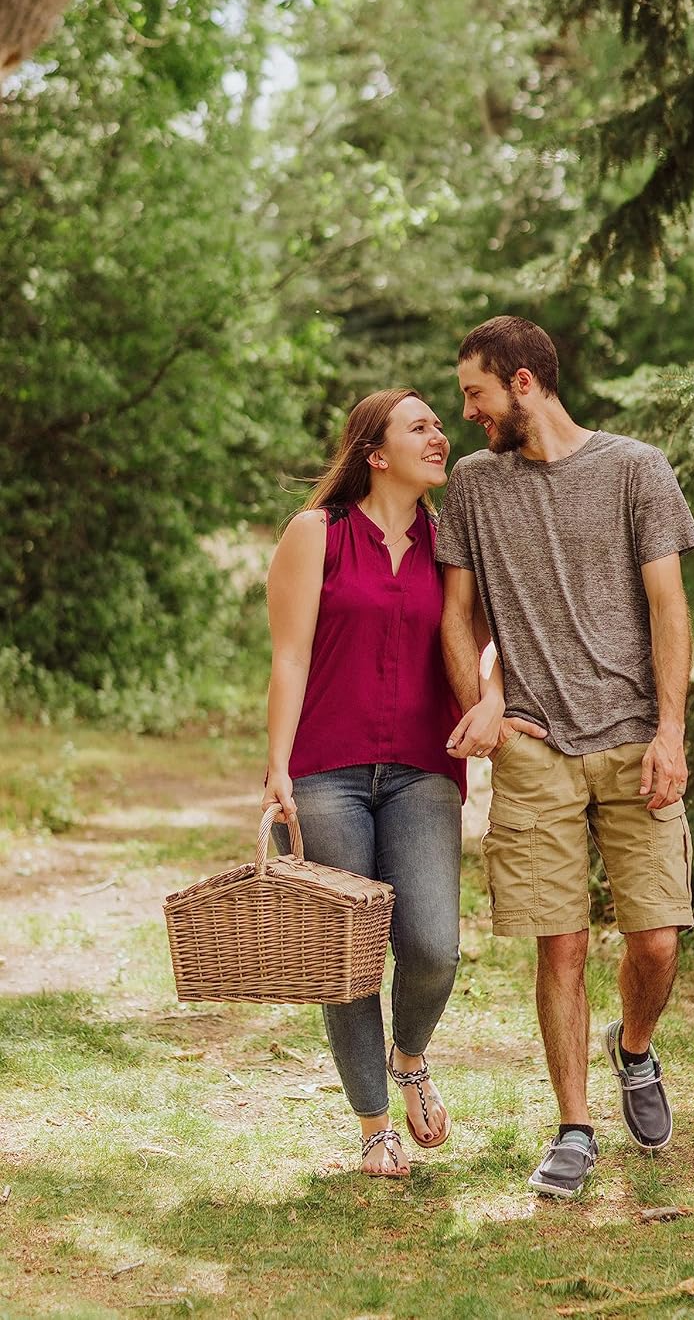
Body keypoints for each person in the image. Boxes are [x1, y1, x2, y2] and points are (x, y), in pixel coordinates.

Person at [437, 315, 694, 1199]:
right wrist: (488, 702)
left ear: (520, 383)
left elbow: (670, 608)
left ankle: (634, 1050)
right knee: (560, 946)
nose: (464, 412)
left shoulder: (635, 469)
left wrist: (671, 730)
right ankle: (575, 1126)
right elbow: (457, 615)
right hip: (537, 748)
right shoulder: (473, 488)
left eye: (473, 392)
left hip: (633, 738)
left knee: (657, 940)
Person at [264, 388, 494, 1178]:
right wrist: (277, 768)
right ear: (374, 452)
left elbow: (477, 643)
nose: (440, 436)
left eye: (439, 424)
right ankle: (372, 1127)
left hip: (424, 769)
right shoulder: (315, 534)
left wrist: (490, 705)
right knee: (349, 956)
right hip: (326, 770)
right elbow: (290, 657)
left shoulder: (450, 544)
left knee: (433, 945)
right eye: (420, 426)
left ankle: (411, 1057)